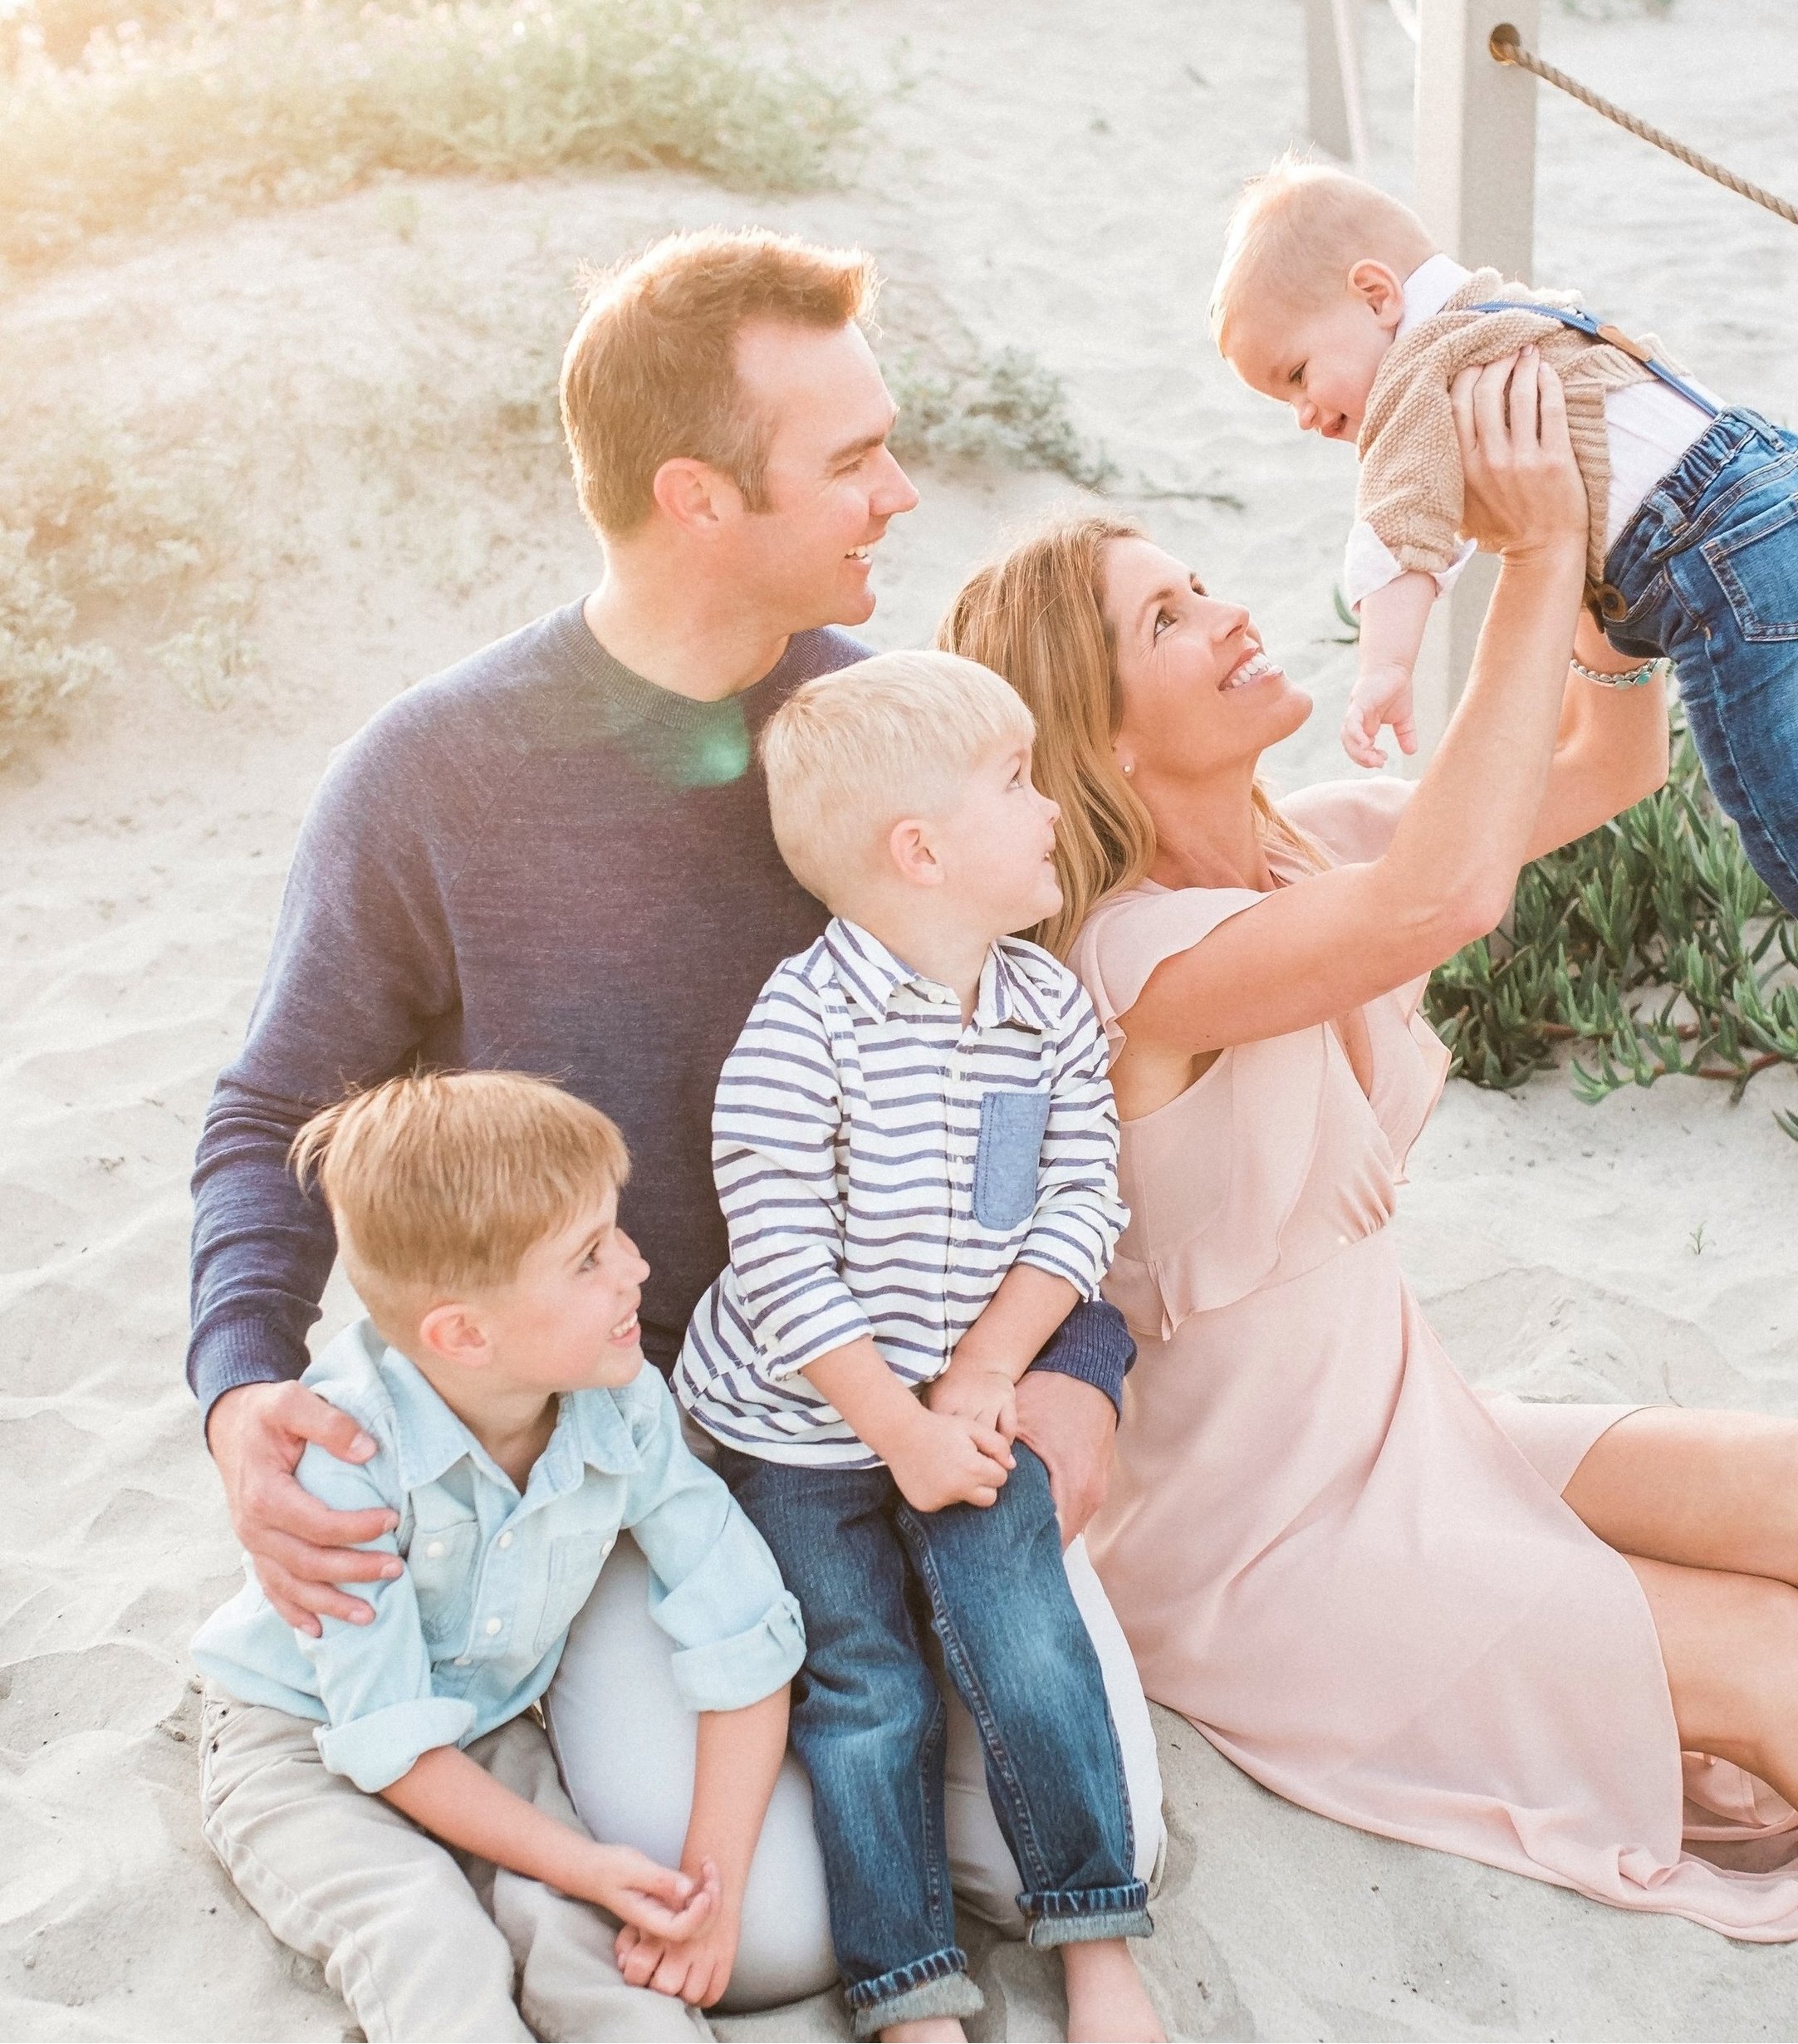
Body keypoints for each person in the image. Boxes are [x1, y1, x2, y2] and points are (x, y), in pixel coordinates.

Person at [938, 348, 1798, 1950]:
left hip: (1410, 1442)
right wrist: (1529, 555)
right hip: (1269, 1553)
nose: (1230, 616)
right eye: (1168, 622)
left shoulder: (1307, 843)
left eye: (1200, 585)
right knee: (1767, 1656)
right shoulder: (1136, 965)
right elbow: (1448, 896)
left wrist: (1611, 554)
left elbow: (1613, 767)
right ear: (1100, 739)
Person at [184, 225, 1162, 2010]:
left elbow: (1037, 1096)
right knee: (780, 1936)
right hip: (627, 1461)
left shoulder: (885, 752)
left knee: (1090, 1854)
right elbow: (273, 1111)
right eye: (852, 460)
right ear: (697, 495)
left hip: (920, 1422)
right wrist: (244, 1381)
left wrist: (1071, 1361)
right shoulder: (429, 775)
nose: (901, 491)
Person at [679, 652, 1161, 2043]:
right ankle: (907, 1993)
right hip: (803, 1428)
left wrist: (989, 1375)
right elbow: (779, 1265)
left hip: (973, 1396)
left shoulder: (1043, 1009)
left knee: (1028, 1643)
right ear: (921, 850)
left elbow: (1082, 1202)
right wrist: (897, 1429)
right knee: (868, 1687)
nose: (1053, 807)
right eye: (1017, 782)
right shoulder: (800, 1033)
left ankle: (1094, 1943)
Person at [1211, 156, 1798, 1040]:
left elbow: (1400, 535)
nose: (1302, 415)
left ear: (1374, 296)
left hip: (1717, 551)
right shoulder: (1520, 311)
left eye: (1294, 375)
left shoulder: (1415, 376)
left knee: (1766, 774)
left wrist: (1385, 666)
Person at [192, 1071, 803, 2039]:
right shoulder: (349, 1458)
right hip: (303, 1736)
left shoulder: (622, 1406)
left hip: (487, 1717)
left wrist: (708, 1884)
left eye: (618, 1232)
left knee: (589, 1944)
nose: (635, 1269)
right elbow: (389, 1739)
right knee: (424, 1931)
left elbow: (742, 1631)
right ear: (463, 1334)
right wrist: (578, 1856)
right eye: (589, 1257)